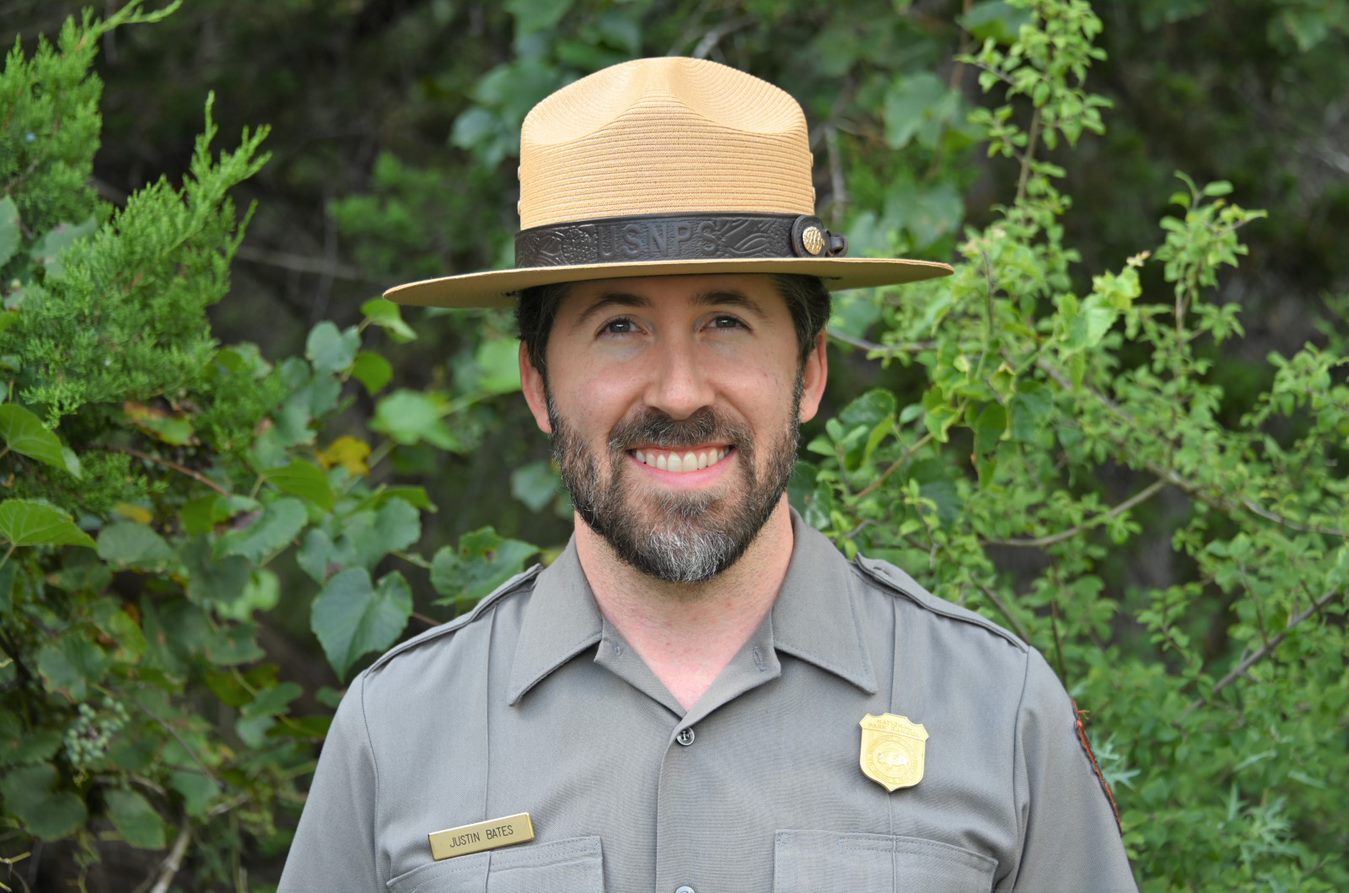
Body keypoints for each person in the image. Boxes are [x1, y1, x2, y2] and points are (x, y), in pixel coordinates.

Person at [279, 56, 1136, 892]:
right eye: (620, 326)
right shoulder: (396, 733)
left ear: (808, 371)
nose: (680, 391)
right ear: (538, 382)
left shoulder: (997, 711)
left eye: (726, 319)